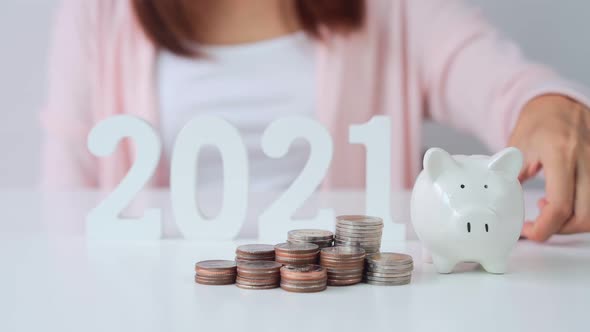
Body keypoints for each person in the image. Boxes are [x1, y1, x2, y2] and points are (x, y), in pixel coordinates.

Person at [40, 0, 590, 242]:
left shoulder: (392, 9)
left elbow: (505, 82)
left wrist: (552, 107)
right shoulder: (99, 11)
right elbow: (61, 203)